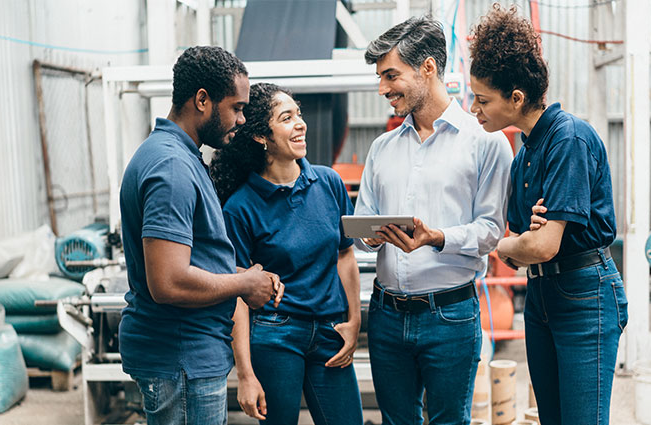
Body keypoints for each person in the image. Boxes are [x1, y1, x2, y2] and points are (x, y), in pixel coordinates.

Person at [468, 5, 628, 425]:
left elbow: (537, 244)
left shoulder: (567, 140)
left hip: (583, 294)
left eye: (482, 100)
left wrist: (510, 245)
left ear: (516, 98)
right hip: (541, 297)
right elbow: (524, 247)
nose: (474, 109)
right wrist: (521, 245)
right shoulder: (526, 153)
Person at [355, 16, 513, 424]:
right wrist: (369, 238)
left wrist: (435, 237)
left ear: (427, 67)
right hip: (386, 315)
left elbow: (491, 231)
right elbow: (363, 222)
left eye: (391, 75)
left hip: (451, 315)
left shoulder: (487, 142)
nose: (383, 88)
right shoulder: (381, 148)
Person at [118, 46, 284, 425]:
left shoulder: (179, 156)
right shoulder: (172, 167)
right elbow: (168, 282)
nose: (241, 119)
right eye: (237, 107)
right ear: (203, 100)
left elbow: (189, 260)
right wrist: (243, 283)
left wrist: (243, 274)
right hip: (181, 358)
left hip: (187, 356)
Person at [210, 82, 363, 425]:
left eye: (299, 114)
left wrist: (354, 321)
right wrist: (245, 374)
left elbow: (344, 255)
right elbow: (237, 294)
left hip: (330, 331)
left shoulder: (329, 183)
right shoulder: (240, 207)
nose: (300, 123)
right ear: (262, 137)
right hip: (275, 334)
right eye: (286, 117)